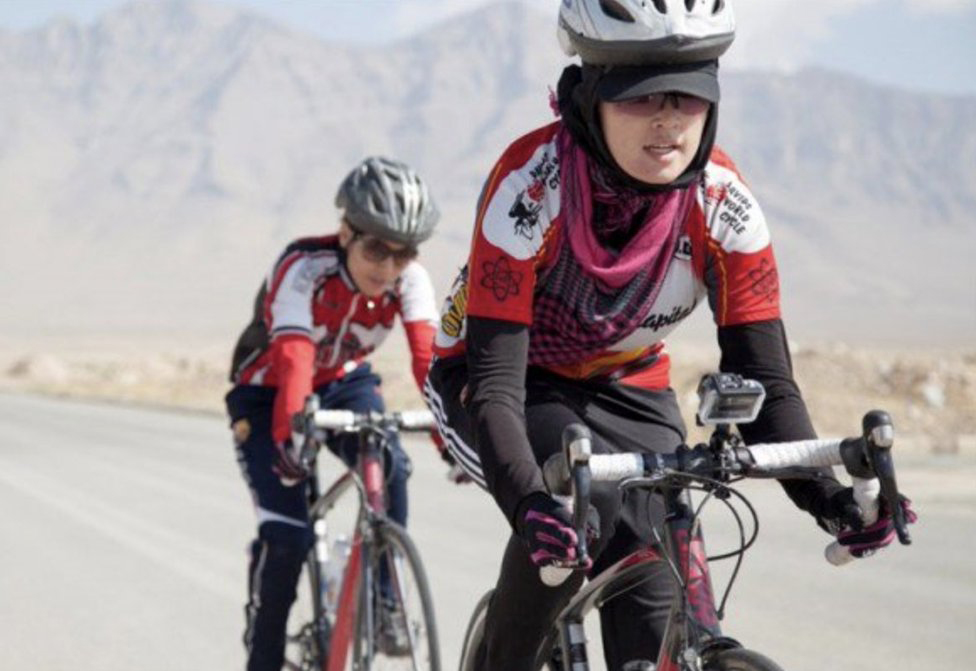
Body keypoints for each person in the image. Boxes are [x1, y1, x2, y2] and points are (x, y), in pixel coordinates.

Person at [423, 2, 918, 669]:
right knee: (578, 508)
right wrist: (532, 505)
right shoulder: (529, 190)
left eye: (688, 95)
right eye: (639, 96)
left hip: (629, 384)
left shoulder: (724, 203)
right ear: (592, 94)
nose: (667, 118)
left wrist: (830, 498)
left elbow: (768, 389)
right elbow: (496, 393)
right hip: (501, 383)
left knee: (658, 616)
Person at [226, 156, 443, 671]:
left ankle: (388, 603)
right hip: (266, 391)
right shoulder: (302, 268)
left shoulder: (410, 280)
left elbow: (429, 361)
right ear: (346, 232)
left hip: (344, 381)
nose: (389, 267)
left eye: (404, 253)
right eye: (376, 249)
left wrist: (453, 441)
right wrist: (290, 434)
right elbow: (295, 358)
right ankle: (263, 655)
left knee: (389, 462)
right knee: (288, 537)